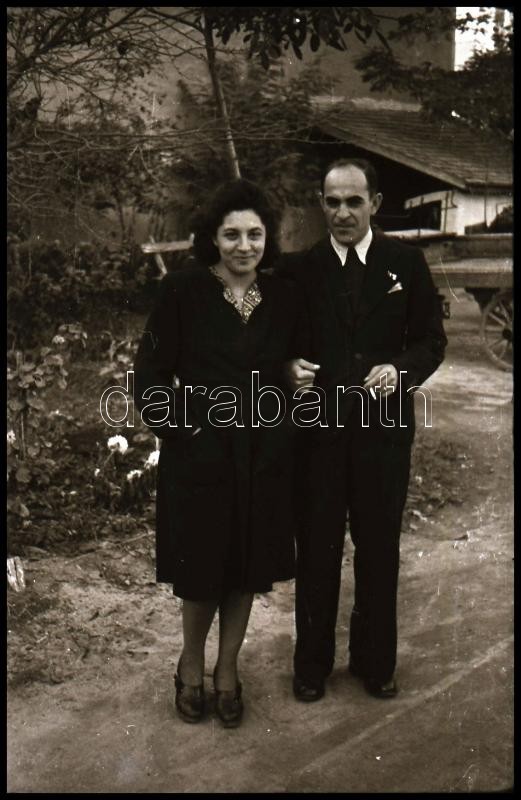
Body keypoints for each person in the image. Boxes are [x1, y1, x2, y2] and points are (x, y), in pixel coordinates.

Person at [133, 179, 299, 727]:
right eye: (232, 235)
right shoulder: (183, 290)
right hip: (200, 454)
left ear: (267, 239)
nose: (244, 246)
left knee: (246, 568)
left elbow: (290, 362)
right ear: (213, 237)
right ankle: (191, 665)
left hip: (261, 455)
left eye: (254, 234)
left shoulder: (281, 296)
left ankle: (228, 669)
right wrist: (185, 432)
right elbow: (149, 375)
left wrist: (291, 373)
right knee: (203, 568)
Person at [282, 158, 447, 701]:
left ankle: (375, 662)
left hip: (383, 435)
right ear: (320, 204)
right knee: (318, 550)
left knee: (378, 550)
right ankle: (312, 666)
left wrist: (400, 370)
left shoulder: (406, 264)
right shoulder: (300, 270)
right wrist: (287, 368)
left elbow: (431, 341)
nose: (343, 213)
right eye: (332, 202)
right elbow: (277, 342)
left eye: (354, 201)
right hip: (318, 439)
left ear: (374, 203)